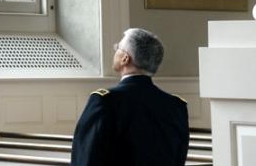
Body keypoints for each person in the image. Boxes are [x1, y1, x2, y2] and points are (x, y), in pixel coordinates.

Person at [70, 28, 189, 166]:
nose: (115, 50)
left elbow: (85, 159)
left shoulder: (105, 102)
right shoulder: (176, 106)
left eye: (117, 47)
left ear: (125, 58)